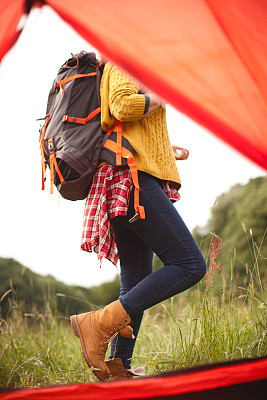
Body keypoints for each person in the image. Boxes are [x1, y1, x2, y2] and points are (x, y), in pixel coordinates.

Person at [70, 59, 206, 381]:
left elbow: (128, 124)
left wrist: (164, 150)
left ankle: (119, 367)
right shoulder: (122, 62)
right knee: (189, 263)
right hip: (130, 179)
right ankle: (98, 323)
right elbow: (120, 105)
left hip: (126, 174)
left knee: (136, 279)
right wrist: (161, 94)